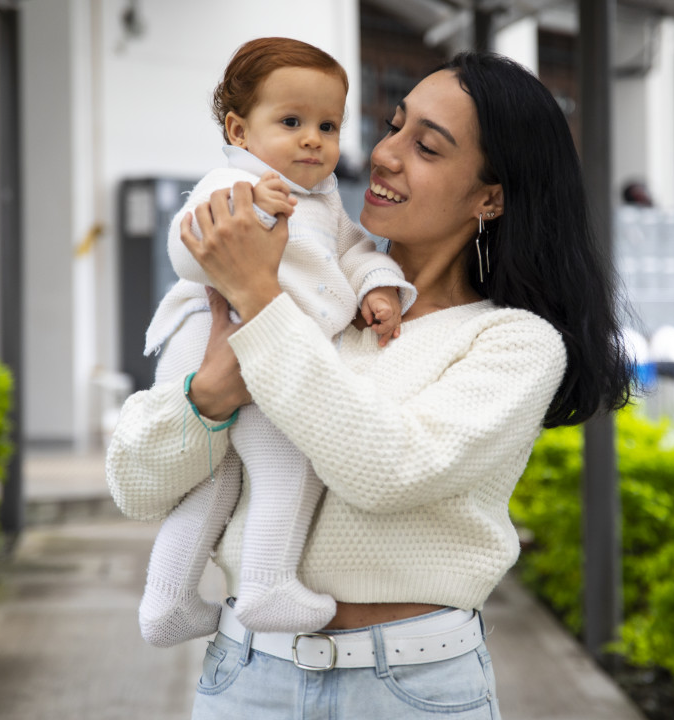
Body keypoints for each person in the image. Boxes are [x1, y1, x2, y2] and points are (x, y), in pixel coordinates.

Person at [107, 51, 634, 717]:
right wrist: (208, 396)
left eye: (427, 147)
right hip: (245, 678)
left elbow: (387, 469)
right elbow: (136, 487)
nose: (383, 154)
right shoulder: (304, 304)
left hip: (410, 689)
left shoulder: (512, 342)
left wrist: (261, 303)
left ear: (490, 196)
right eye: (392, 126)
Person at [137, 37, 417, 648]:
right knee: (289, 462)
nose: (313, 139)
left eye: (328, 125)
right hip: (218, 341)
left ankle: (167, 602)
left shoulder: (325, 202)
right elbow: (187, 254)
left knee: (214, 482)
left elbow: (355, 252)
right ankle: (267, 586)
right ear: (239, 131)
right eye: (291, 122)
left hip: (262, 347)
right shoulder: (231, 184)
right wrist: (252, 215)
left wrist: (380, 287)